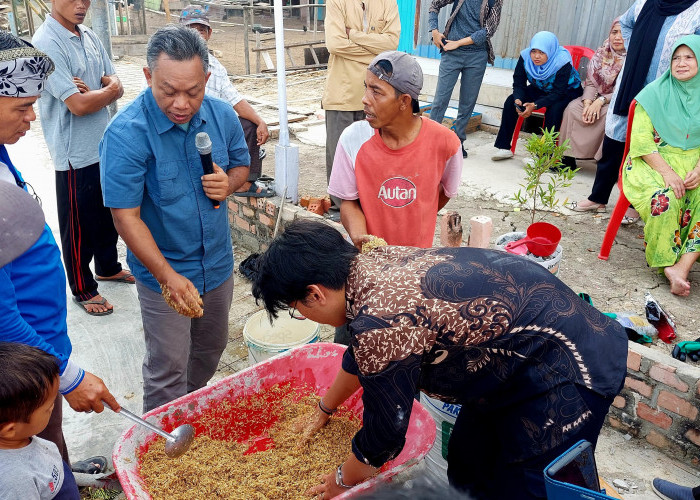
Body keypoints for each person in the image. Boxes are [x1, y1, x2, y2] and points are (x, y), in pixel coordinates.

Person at [252, 219, 628, 500]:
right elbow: (364, 355)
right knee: (467, 463)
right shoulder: (368, 264)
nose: (304, 315)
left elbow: (383, 435)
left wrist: (340, 482)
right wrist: (325, 408)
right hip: (507, 368)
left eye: (297, 308)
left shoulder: (380, 320)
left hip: (566, 369)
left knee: (529, 487)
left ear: (314, 294)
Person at [100, 25, 250, 412]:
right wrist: (168, 277)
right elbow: (126, 218)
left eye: (193, 91)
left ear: (207, 80)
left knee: (210, 349)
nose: (182, 103)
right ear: (149, 77)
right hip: (163, 272)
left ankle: (189, 409)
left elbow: (241, 167)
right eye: (169, 91)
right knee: (167, 366)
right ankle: (161, 440)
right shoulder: (126, 134)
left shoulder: (222, 116)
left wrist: (228, 183)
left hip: (216, 266)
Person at [0, 33, 120, 474]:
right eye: (21, 107)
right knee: (26, 443)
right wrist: (67, 377)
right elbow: (0, 313)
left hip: (41, 343)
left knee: (45, 435)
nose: (33, 117)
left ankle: (62, 472)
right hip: (19, 361)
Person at [327, 51, 462, 345]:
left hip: (417, 272)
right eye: (366, 87)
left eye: (377, 91)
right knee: (352, 345)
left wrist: (416, 216)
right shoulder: (353, 138)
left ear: (404, 101)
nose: (365, 98)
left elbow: (443, 193)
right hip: (367, 269)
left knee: (407, 347)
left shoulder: (446, 143)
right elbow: (348, 201)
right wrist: (361, 236)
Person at [32, 0, 132, 316]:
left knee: (106, 215)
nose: (81, 5)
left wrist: (102, 91)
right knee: (77, 226)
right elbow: (79, 105)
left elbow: (116, 82)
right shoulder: (45, 43)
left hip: (101, 143)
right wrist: (104, 92)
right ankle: (83, 287)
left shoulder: (88, 35)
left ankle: (107, 266)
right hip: (73, 151)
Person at [572, 0, 700, 219]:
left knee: (650, 144)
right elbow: (626, 23)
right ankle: (598, 197)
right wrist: (637, 48)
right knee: (615, 140)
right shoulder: (644, 3)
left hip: (667, 88)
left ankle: (633, 205)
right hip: (632, 80)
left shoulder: (696, 10)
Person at [621, 35, 700, 297]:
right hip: (652, 162)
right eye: (676, 58)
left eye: (689, 57)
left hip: (694, 163)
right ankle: (666, 263)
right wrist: (667, 172)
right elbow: (641, 142)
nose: (681, 63)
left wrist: (698, 170)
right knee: (666, 198)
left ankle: (683, 266)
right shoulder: (654, 93)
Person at [179, 4, 272, 198]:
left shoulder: (216, 67)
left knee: (249, 125)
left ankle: (243, 182)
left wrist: (260, 121)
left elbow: (236, 100)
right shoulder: (172, 63)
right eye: (190, 31)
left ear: (209, 33)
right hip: (181, 125)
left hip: (212, 128)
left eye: (201, 30)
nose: (196, 36)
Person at [323, 0, 400, 219]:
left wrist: (353, 34)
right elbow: (335, 44)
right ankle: (340, 211)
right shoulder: (336, 2)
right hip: (343, 91)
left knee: (376, 152)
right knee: (339, 154)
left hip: (378, 95)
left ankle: (371, 207)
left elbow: (392, 43)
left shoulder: (388, 2)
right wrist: (376, 57)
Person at [0, 342, 80, 500]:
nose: (52, 408)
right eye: (48, 406)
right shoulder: (15, 482)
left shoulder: (21, 437)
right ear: (10, 429)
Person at [428, 0, 504, 158]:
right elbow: (434, 5)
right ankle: (430, 140)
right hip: (452, 54)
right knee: (440, 100)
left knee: (467, 103)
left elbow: (488, 30)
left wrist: (459, 43)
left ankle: (458, 141)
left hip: (476, 56)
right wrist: (434, 31)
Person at [491, 31, 583, 161]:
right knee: (510, 101)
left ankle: (543, 156)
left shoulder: (562, 62)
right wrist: (518, 98)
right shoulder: (525, 57)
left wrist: (535, 105)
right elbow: (519, 82)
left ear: (550, 52)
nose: (536, 56)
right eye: (534, 51)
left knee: (554, 110)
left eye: (542, 52)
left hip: (567, 91)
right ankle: (504, 147)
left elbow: (558, 93)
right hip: (540, 88)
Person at [560, 19, 626, 172]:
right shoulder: (603, 52)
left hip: (618, 99)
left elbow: (625, 89)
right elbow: (591, 82)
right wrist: (588, 103)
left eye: (623, 33)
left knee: (607, 115)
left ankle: (602, 161)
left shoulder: (634, 57)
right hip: (596, 95)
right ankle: (567, 157)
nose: (617, 37)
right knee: (573, 108)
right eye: (614, 32)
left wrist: (601, 101)